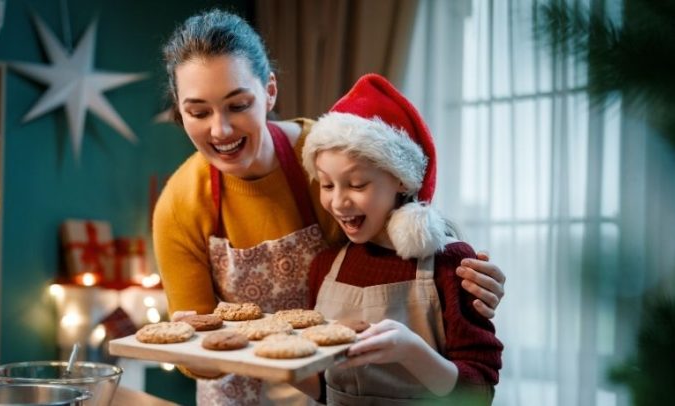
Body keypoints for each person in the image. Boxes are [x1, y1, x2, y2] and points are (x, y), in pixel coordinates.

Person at [152, 9, 505, 405]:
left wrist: (467, 279)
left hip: (330, 387)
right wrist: (196, 341)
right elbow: (196, 348)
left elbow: (401, 221)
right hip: (238, 389)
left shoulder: (325, 155)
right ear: (181, 113)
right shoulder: (180, 204)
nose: (220, 129)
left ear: (269, 91)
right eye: (198, 112)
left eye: (238, 105)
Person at [298, 73, 503, 404]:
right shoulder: (324, 266)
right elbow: (325, 389)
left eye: (357, 184)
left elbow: (478, 393)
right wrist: (266, 364)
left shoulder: (450, 263)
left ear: (402, 182)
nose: (338, 202)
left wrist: (410, 350)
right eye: (326, 184)